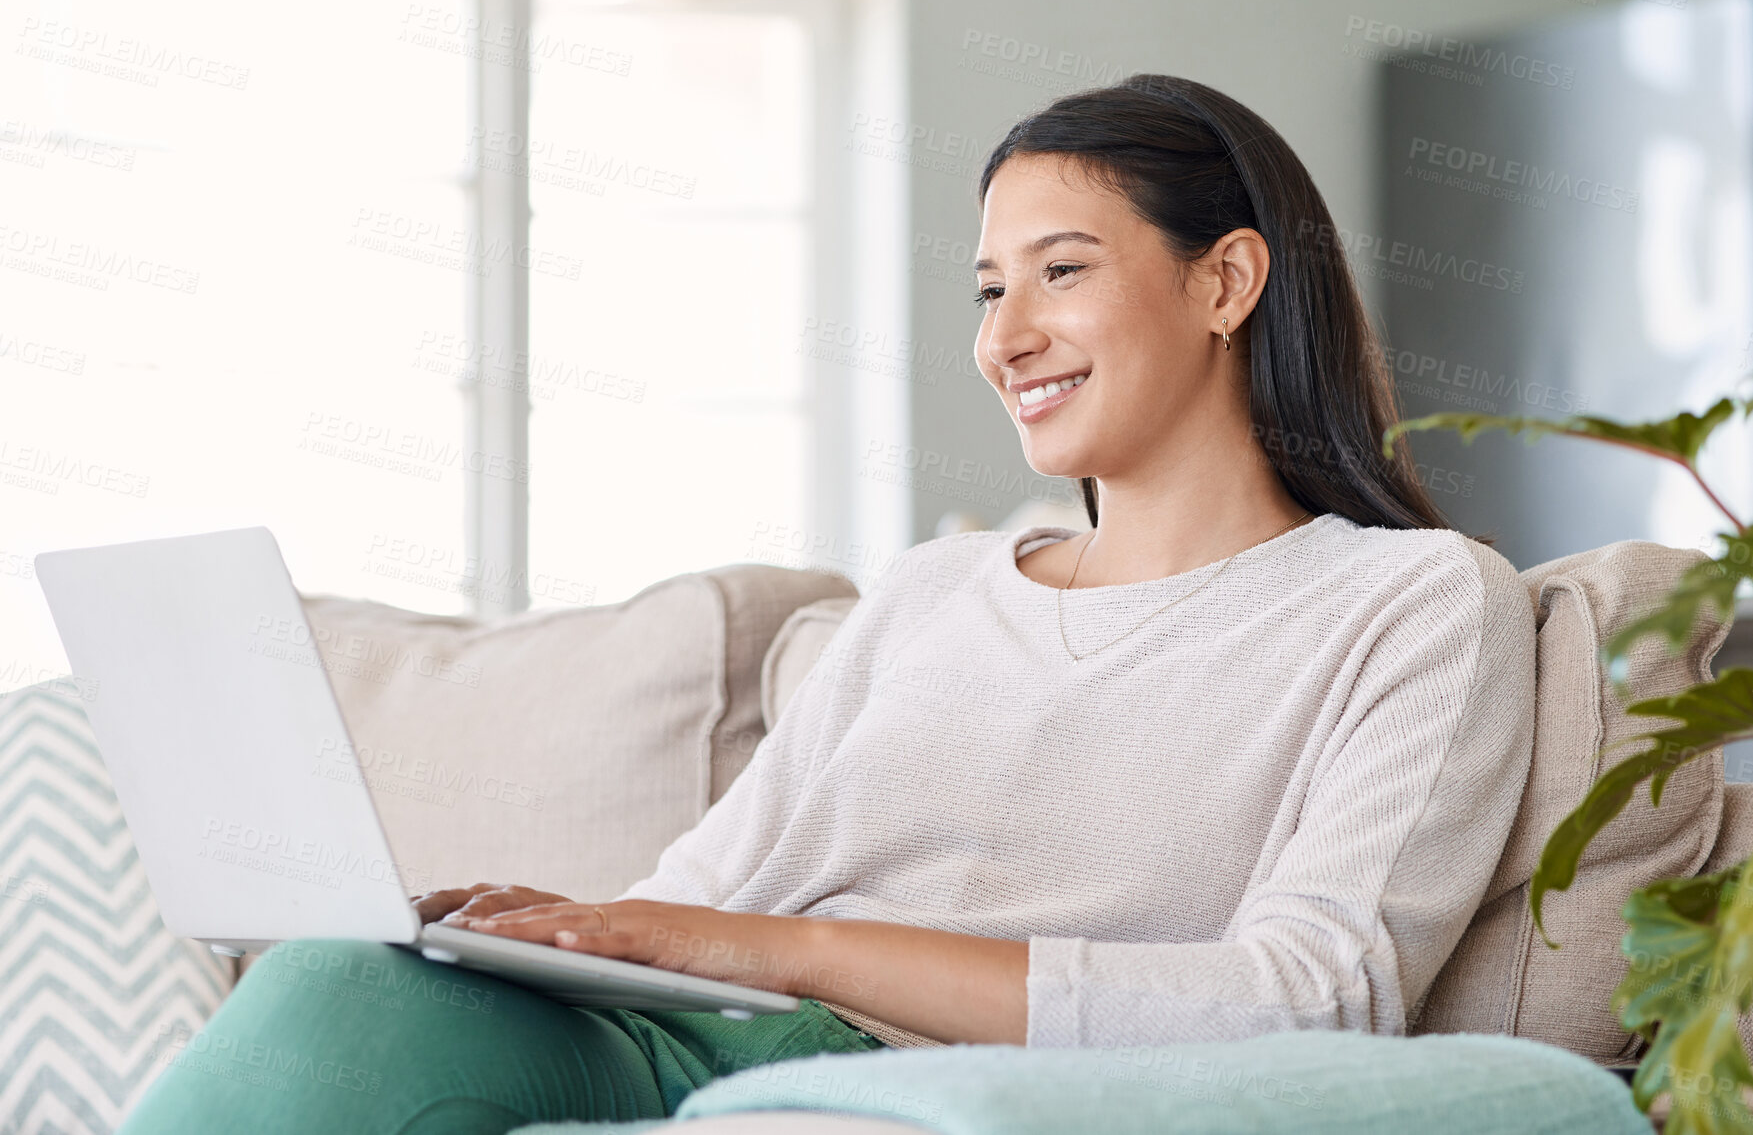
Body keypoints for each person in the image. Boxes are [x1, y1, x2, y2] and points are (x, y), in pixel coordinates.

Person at [120, 72, 1536, 1133]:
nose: (1007, 336)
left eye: (1060, 272)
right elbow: (702, 896)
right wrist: (549, 930)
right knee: (334, 983)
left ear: (1224, 278)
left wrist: (776, 949)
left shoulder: (1406, 604)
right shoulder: (930, 595)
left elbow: (1314, 998)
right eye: (989, 289)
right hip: (689, 1043)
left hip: (890, 1083)